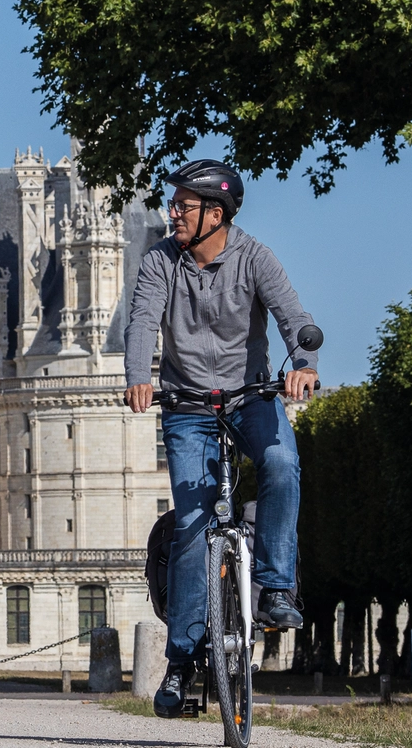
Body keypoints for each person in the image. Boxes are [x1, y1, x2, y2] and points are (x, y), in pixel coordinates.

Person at [123, 160, 318, 719]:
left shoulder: (256, 257)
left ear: (216, 213)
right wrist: (140, 375)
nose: (173, 212)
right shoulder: (161, 260)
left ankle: (277, 590)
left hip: (252, 397)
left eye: (184, 204)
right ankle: (181, 662)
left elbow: (292, 317)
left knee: (281, 464)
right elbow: (142, 320)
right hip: (186, 407)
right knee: (191, 525)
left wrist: (302, 366)